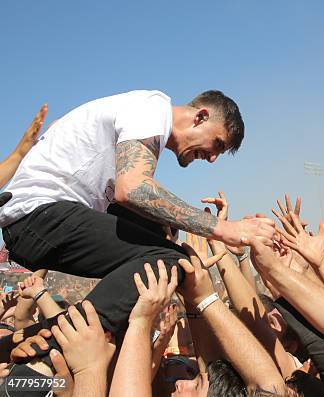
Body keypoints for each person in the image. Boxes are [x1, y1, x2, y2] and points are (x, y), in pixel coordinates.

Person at [0, 90, 276, 341]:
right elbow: (132, 188)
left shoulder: (135, 114)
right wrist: (223, 228)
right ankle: (61, 344)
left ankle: (33, 338)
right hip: (36, 216)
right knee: (169, 261)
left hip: (36, 220)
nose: (213, 158)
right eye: (217, 143)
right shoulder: (153, 107)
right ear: (200, 117)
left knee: (162, 231)